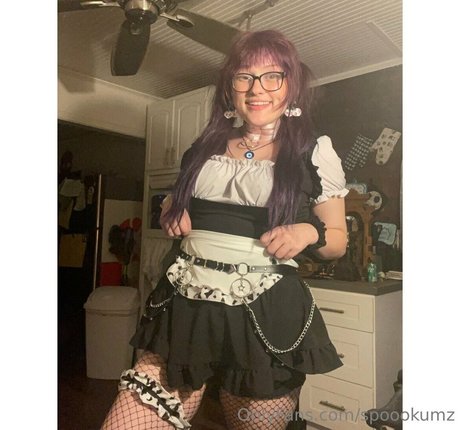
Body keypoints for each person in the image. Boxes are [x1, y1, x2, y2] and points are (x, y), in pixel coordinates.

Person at [102, 29, 348, 430]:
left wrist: (306, 232)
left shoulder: (314, 149)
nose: (257, 88)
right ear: (230, 88)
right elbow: (173, 203)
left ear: (291, 86)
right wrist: (171, 208)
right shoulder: (204, 147)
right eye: (244, 76)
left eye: (272, 76)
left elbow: (337, 240)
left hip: (265, 315)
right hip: (185, 306)